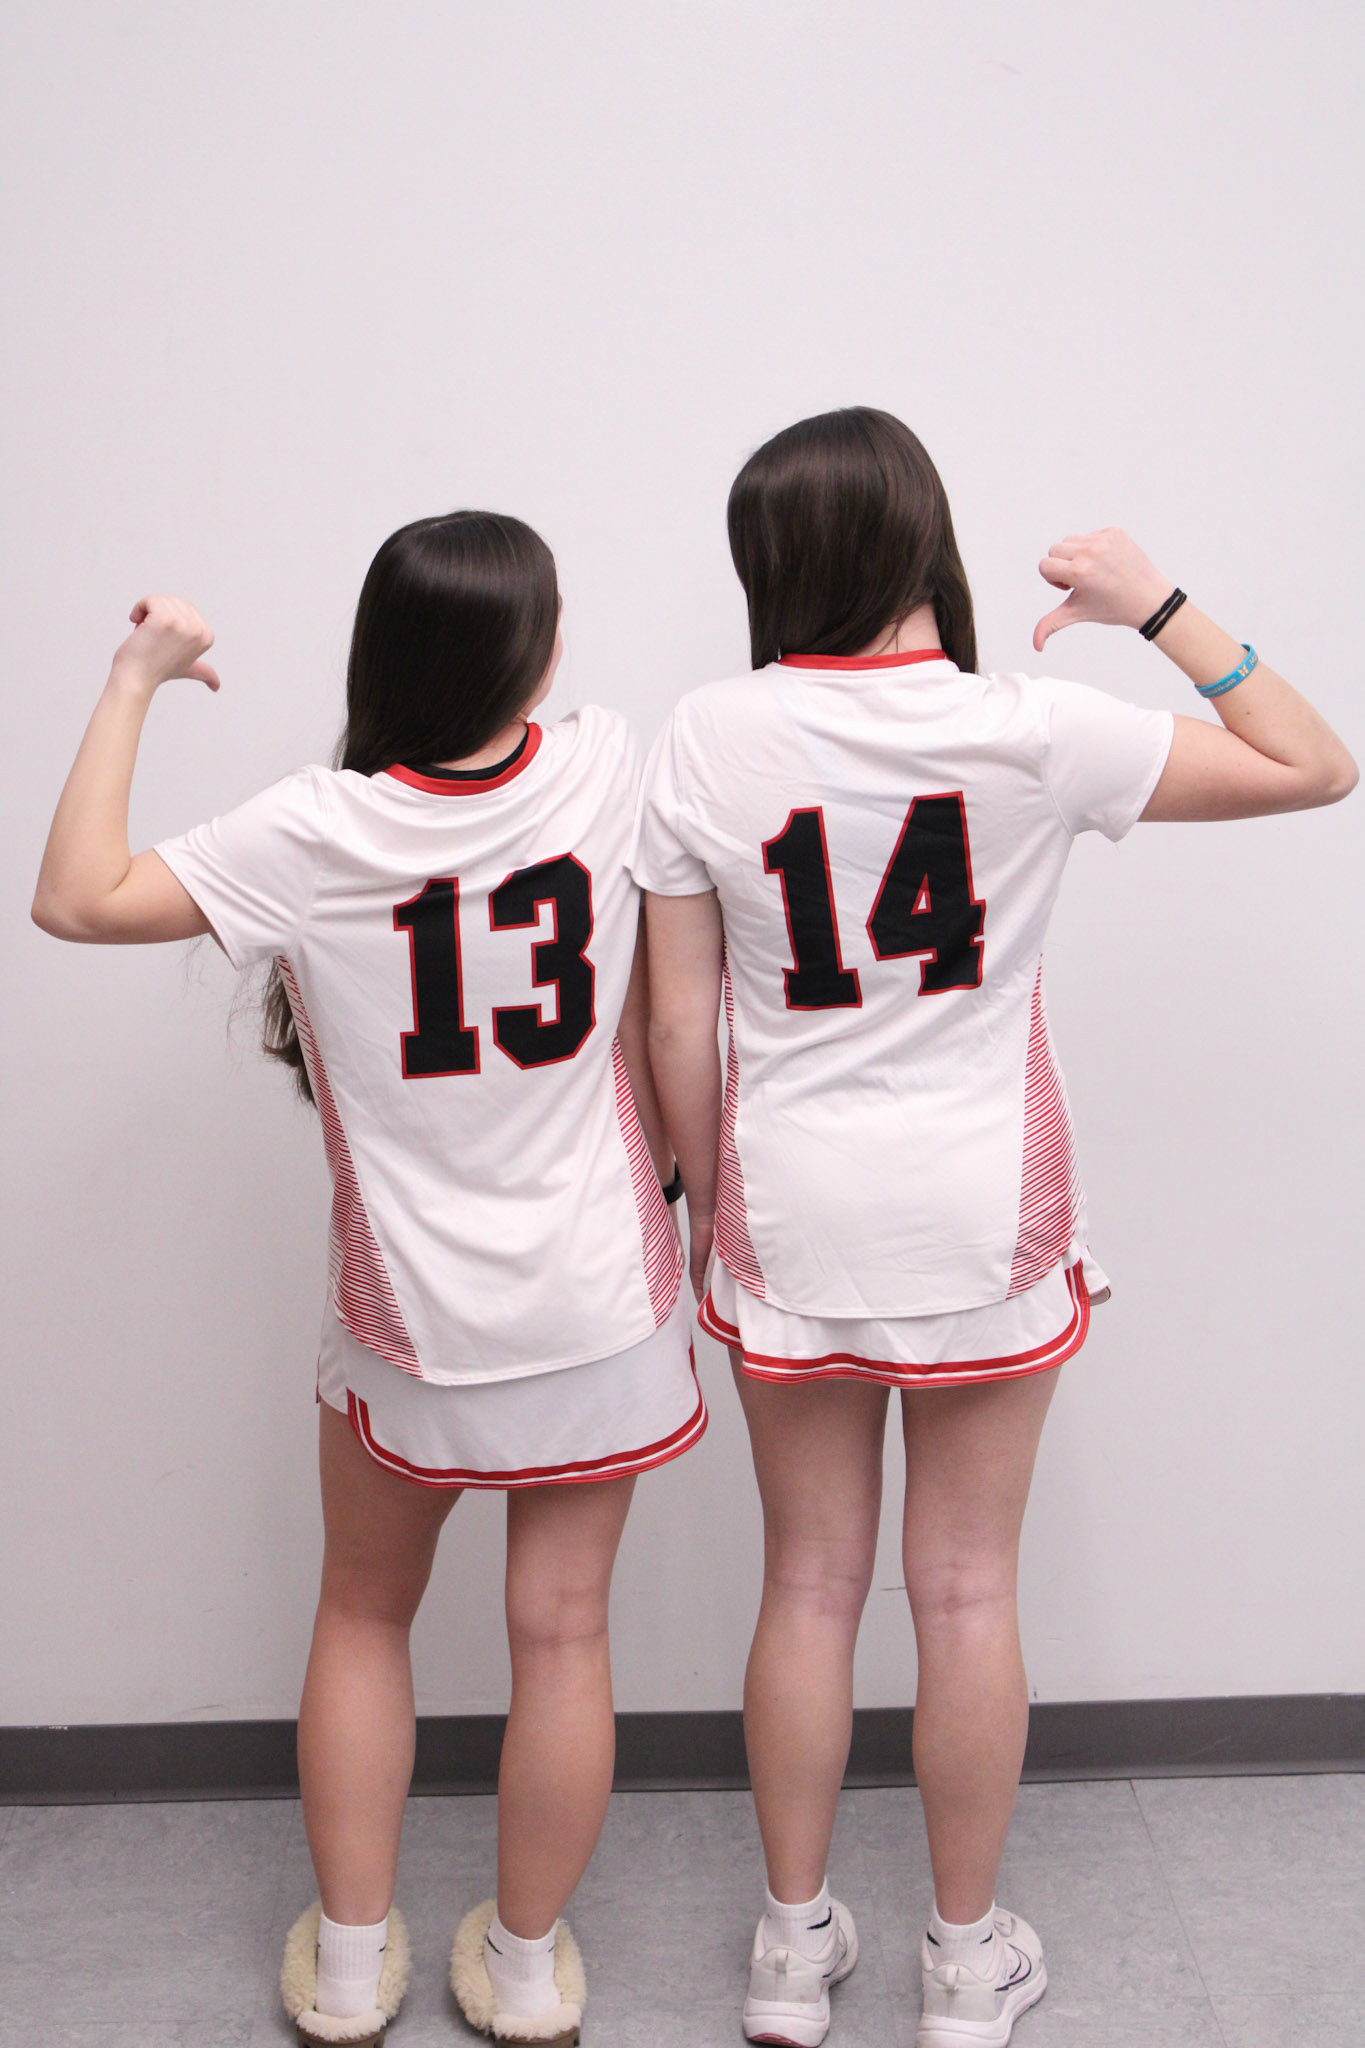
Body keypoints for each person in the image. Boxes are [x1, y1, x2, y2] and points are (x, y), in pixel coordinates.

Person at [632, 407, 1356, 2048]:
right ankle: (964, 1968)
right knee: (963, 1592)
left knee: (807, 1582)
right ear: (923, 540)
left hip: (788, 1209)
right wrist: (1156, 605)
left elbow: (675, 1025)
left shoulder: (703, 737)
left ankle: (787, 1954)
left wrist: (708, 1207)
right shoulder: (1030, 726)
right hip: (982, 1210)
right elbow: (1316, 765)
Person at [32, 511, 704, 2048]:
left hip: (411, 1321)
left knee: (359, 1613)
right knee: (564, 1637)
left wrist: (134, 679)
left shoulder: (312, 833)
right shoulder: (605, 765)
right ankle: (522, 1975)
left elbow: (72, 897)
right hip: (602, 1304)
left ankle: (346, 1975)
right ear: (535, 651)